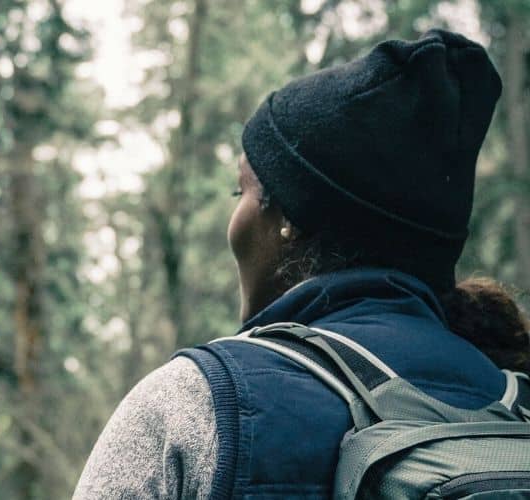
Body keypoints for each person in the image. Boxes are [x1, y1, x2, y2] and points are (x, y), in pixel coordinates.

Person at [72, 28, 530, 499]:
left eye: (241, 192)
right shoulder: (519, 400)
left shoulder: (197, 403)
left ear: (289, 216)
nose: (234, 219)